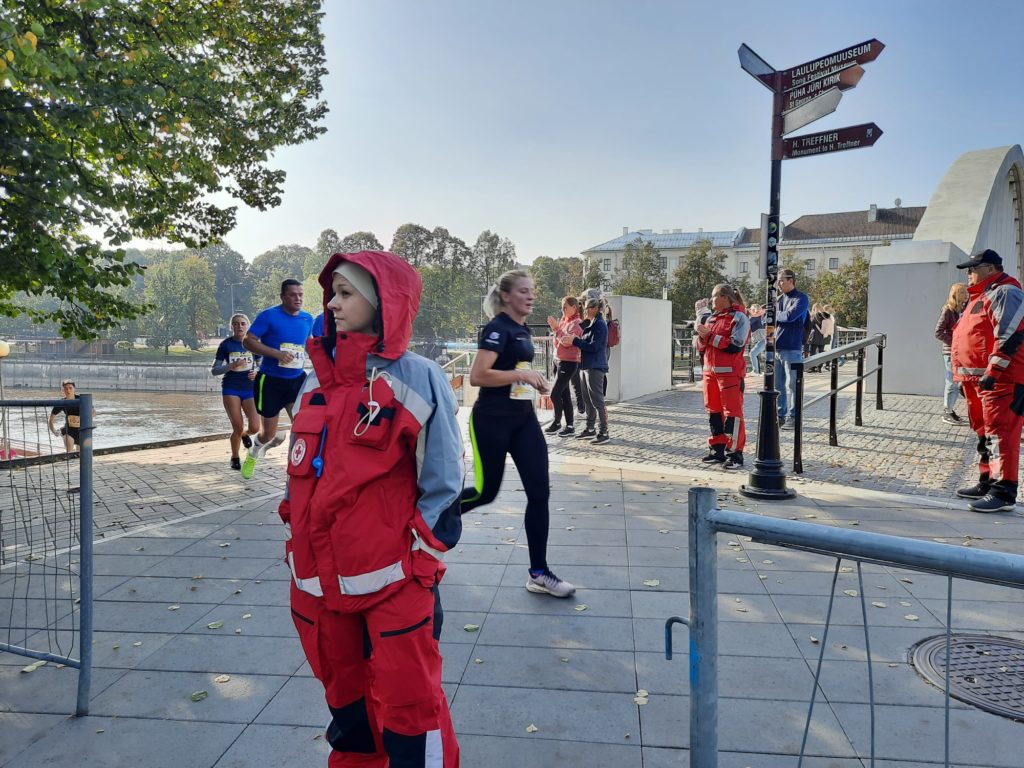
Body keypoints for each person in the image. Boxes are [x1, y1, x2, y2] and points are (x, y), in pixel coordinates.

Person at [282, 250, 463, 767]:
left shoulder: (418, 377)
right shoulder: (315, 382)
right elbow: (299, 474)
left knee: (412, 712)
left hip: (394, 582)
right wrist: (294, 542)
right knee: (350, 714)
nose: (332, 305)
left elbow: (445, 482)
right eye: (332, 294)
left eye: (346, 294)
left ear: (385, 302)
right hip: (317, 586)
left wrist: (423, 560)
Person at [461, 270, 575, 598]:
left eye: (531, 290)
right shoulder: (497, 328)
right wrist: (521, 376)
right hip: (491, 422)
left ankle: (539, 573)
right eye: (523, 291)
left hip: (524, 422)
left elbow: (515, 372)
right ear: (506, 296)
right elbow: (478, 375)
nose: (530, 295)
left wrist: (532, 380)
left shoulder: (522, 329)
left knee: (539, 494)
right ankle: (428, 518)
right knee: (485, 493)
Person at [951, 248, 1024, 513]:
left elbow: (1011, 335)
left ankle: (1003, 492)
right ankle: (987, 482)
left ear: (991, 269)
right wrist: (963, 377)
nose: (969, 274)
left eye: (973, 269)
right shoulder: (980, 296)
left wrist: (993, 373)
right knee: (985, 433)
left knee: (1000, 434)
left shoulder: (1005, 292)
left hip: (1001, 380)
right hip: (979, 380)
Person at [240, 279, 314, 478]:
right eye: (293, 295)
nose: (298, 298)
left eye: (300, 294)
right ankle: (254, 451)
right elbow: (248, 341)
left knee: (302, 426)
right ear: (283, 297)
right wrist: (276, 354)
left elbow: (309, 345)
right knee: (268, 433)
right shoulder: (269, 316)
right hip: (270, 382)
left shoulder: (308, 319)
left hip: (296, 381)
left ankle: (296, 466)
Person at [695, 284, 750, 469]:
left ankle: (735, 454)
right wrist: (701, 337)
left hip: (730, 375)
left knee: (732, 414)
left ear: (725, 298)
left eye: (714, 296)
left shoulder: (739, 317)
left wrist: (709, 337)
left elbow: (735, 345)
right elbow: (701, 347)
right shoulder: (711, 318)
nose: (711, 300)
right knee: (714, 412)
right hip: (710, 373)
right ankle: (717, 450)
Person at [212, 313, 261, 470]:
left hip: (249, 389)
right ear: (231, 326)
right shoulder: (226, 345)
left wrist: (257, 372)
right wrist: (230, 366)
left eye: (242, 323)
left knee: (255, 427)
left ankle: (245, 435)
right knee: (238, 427)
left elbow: (263, 365)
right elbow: (215, 370)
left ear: (248, 326)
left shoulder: (254, 344)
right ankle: (235, 456)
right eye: (236, 323)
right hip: (231, 388)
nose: (239, 326)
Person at [564, 296, 610, 443]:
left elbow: (594, 347)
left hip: (595, 366)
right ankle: (590, 429)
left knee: (597, 400)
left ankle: (604, 432)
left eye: (588, 308)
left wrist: (576, 341)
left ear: (596, 309)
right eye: (584, 308)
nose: (585, 311)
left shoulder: (600, 324)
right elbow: (586, 343)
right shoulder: (591, 323)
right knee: (587, 400)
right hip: (586, 366)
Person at [773, 269, 810, 429]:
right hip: (776, 348)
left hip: (792, 347)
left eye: (781, 280)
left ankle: (794, 417)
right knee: (778, 386)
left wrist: (774, 314)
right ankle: (780, 416)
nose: (779, 284)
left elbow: (790, 316)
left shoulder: (801, 298)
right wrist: (772, 315)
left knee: (793, 384)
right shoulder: (779, 299)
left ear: (791, 280)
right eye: (778, 281)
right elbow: (766, 318)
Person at [544, 296, 583, 436]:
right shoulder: (564, 321)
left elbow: (567, 342)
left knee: (555, 394)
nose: (563, 309)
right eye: (562, 307)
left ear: (574, 307)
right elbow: (558, 341)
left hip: (568, 362)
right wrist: (557, 330)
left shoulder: (577, 323)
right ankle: (569, 426)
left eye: (565, 307)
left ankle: (557, 422)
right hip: (558, 360)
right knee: (564, 394)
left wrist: (556, 328)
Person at [934, 283, 968, 425]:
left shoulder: (963, 309)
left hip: (960, 351)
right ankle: (947, 412)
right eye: (963, 292)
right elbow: (938, 332)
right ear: (956, 294)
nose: (966, 294)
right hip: (950, 352)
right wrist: (954, 342)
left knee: (957, 381)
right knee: (951, 381)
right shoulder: (948, 310)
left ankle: (950, 410)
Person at [47, 379, 93, 452]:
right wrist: (54, 431)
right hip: (68, 430)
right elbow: (51, 419)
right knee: (69, 452)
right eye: (66, 388)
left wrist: (86, 415)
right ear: (63, 390)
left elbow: (94, 413)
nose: (68, 390)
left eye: (70, 388)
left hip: (82, 429)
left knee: (81, 454)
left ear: (74, 389)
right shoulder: (61, 402)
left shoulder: (82, 399)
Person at [747, 304, 766, 375]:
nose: (750, 311)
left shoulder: (756, 317)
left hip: (763, 340)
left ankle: (756, 371)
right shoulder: (757, 317)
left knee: (753, 353)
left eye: (751, 309)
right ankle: (757, 371)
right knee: (755, 354)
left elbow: (748, 323)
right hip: (761, 340)